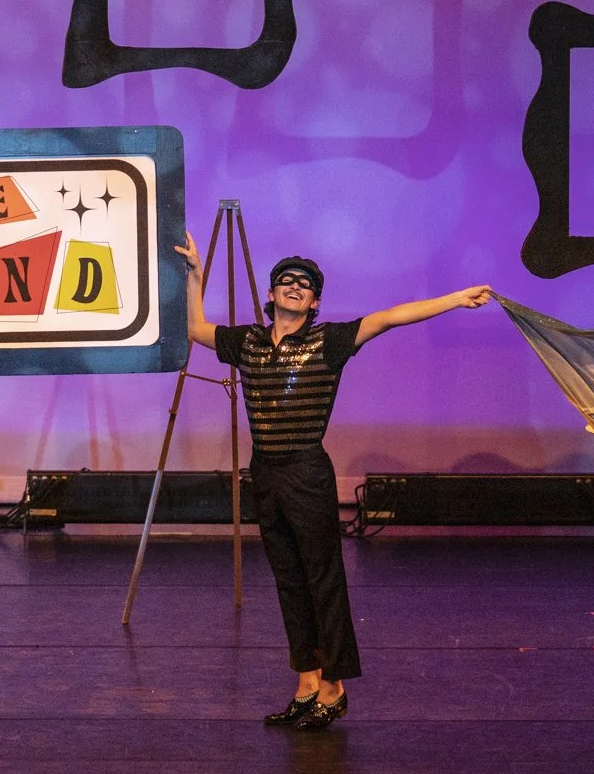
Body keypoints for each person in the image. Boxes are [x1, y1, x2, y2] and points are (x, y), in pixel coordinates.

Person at [174, 234, 490, 729]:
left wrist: (453, 299)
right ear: (273, 293)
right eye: (288, 280)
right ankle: (305, 682)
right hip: (267, 472)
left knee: (322, 578)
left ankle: (334, 687)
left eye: (307, 284)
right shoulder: (247, 342)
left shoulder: (329, 342)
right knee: (289, 580)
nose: (296, 286)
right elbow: (194, 328)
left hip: (306, 472)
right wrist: (195, 272)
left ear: (315, 302)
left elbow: (390, 317)